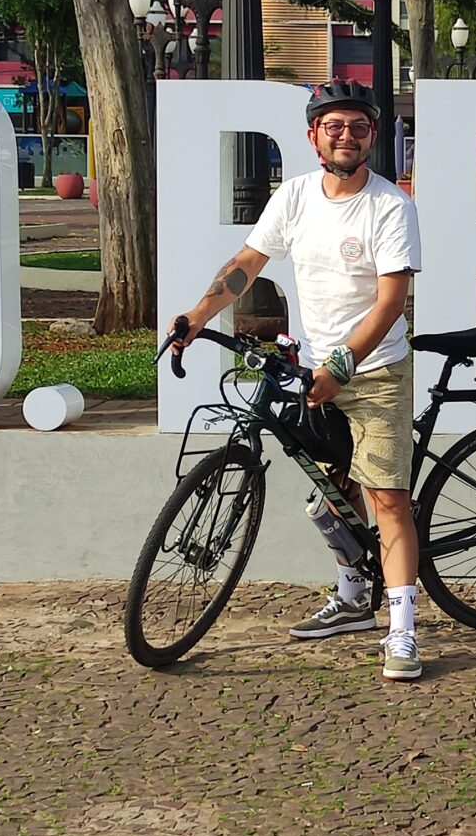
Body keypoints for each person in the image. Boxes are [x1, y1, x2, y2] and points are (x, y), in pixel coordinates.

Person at [167, 82, 426, 681]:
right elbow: (247, 265)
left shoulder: (390, 206)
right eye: (333, 126)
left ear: (373, 136)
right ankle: (355, 596)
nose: (345, 135)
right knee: (329, 495)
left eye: (357, 126)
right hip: (312, 368)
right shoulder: (295, 196)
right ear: (313, 137)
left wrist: (341, 367)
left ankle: (403, 630)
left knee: (387, 498)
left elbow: (389, 303)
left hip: (374, 370)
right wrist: (195, 318)